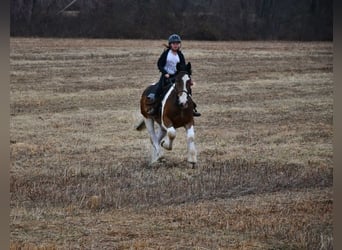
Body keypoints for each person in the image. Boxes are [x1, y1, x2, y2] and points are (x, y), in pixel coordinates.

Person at [147, 34, 201, 117]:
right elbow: (159, 64)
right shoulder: (166, 54)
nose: (175, 45)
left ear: (179, 44)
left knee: (187, 89)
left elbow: (183, 68)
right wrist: (165, 73)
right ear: (170, 44)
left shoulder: (180, 55)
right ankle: (154, 108)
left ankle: (192, 108)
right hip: (166, 76)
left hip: (177, 77)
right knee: (159, 89)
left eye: (177, 43)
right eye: (173, 43)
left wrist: (188, 79)